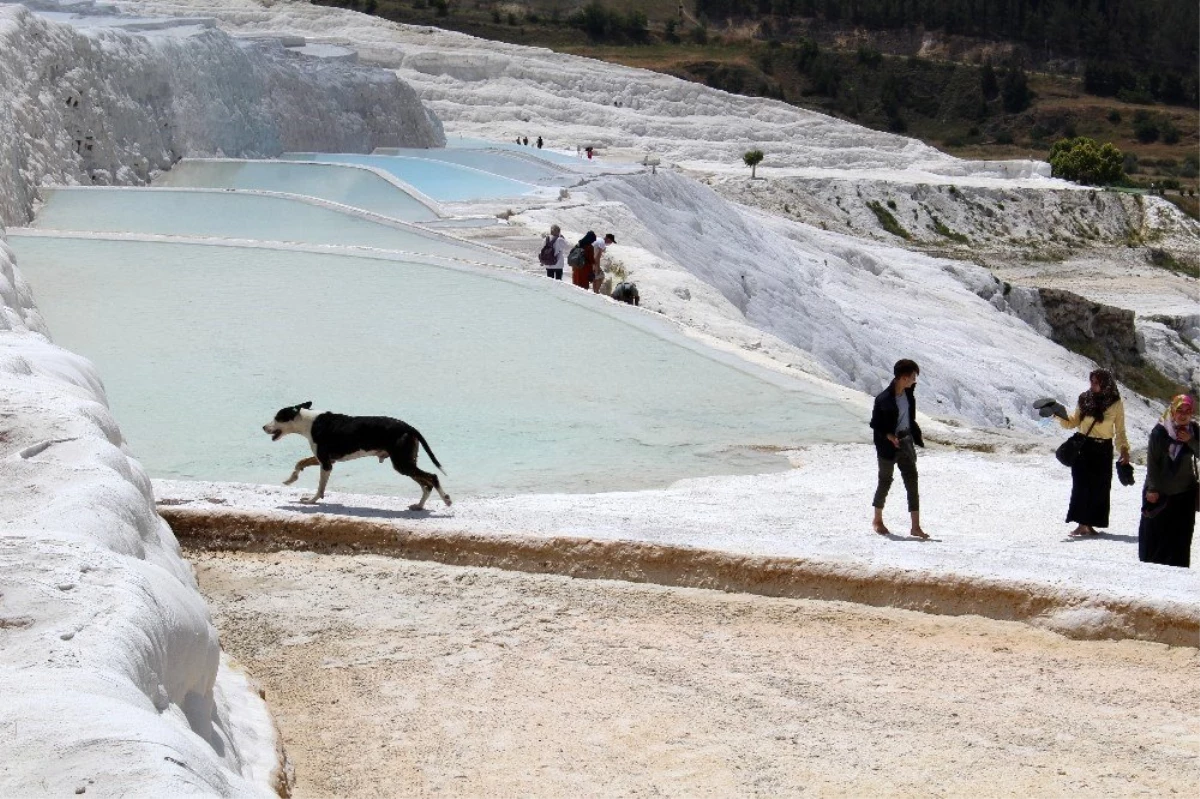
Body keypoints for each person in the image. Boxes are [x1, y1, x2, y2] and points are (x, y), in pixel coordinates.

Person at [1057, 368, 1130, 536]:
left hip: (1104, 449)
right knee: (1081, 486)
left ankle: (1089, 524)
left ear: (1105, 383)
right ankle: (1081, 524)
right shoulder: (1084, 399)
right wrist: (1058, 414)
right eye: (1092, 381)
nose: (1093, 385)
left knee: (1100, 487)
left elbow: (1120, 430)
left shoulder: (1115, 403)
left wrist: (1124, 450)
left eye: (1097, 382)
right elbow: (1073, 422)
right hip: (1084, 448)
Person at [869, 359, 928, 539]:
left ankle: (915, 527)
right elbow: (875, 424)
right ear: (903, 378)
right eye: (912, 377)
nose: (914, 380)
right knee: (885, 481)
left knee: (912, 480)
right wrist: (890, 436)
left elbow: (909, 417)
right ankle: (877, 520)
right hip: (887, 446)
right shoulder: (883, 399)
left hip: (906, 442)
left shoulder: (908, 394)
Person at [1139, 395, 1200, 567]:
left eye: (1187, 411)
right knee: (1155, 536)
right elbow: (1152, 463)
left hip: (1184, 494)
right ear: (1172, 410)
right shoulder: (1160, 431)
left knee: (1180, 538)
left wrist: (1191, 441)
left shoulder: (1194, 431)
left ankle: (1177, 577)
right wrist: (1152, 489)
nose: (1183, 415)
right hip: (1159, 493)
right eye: (1180, 410)